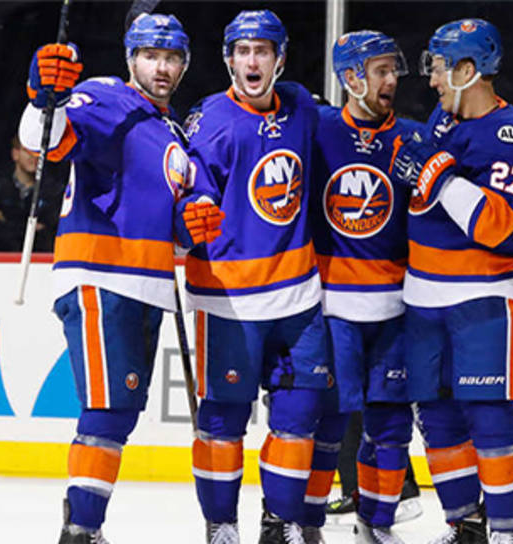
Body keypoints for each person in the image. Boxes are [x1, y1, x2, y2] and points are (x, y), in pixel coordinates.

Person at [18, 12, 192, 544]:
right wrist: (42, 96)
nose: (161, 68)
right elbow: (47, 140)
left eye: (172, 58)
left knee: (119, 414)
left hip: (148, 285)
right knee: (107, 409)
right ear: (130, 58)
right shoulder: (105, 96)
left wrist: (191, 227)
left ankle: (84, 524)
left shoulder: (172, 131)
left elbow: (175, 225)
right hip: (101, 275)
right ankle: (80, 531)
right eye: (150, 56)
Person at [174, 10, 328, 544]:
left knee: (300, 414)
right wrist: (188, 218)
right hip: (229, 300)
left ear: (279, 59)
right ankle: (221, 525)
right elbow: (190, 196)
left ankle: (279, 523)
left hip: (299, 296)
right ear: (229, 60)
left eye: (262, 50)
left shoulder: (302, 106)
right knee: (223, 421)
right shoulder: (209, 120)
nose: (252, 61)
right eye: (242, 51)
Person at [393, 19, 513, 544]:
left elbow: (495, 226)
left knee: (490, 414)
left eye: (439, 68)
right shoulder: (443, 116)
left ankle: (504, 531)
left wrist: (438, 176)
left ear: (468, 70)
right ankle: (465, 526)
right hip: (422, 293)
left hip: (485, 294)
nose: (432, 79)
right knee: (436, 417)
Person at [301, 30, 421, 544]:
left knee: (391, 426)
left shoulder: (415, 137)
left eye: (394, 70)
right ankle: (304, 521)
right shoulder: (317, 129)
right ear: (350, 78)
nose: (392, 80)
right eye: (381, 71)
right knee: (324, 421)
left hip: (397, 306)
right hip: (331, 307)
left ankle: (377, 521)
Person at [0, 135, 59, 251]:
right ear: (15, 154)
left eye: (38, 152)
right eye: (28, 151)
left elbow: (49, 231)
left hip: (39, 258)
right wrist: (30, 228)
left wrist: (5, 220)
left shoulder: (54, 192)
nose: (34, 156)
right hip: (0, 257)